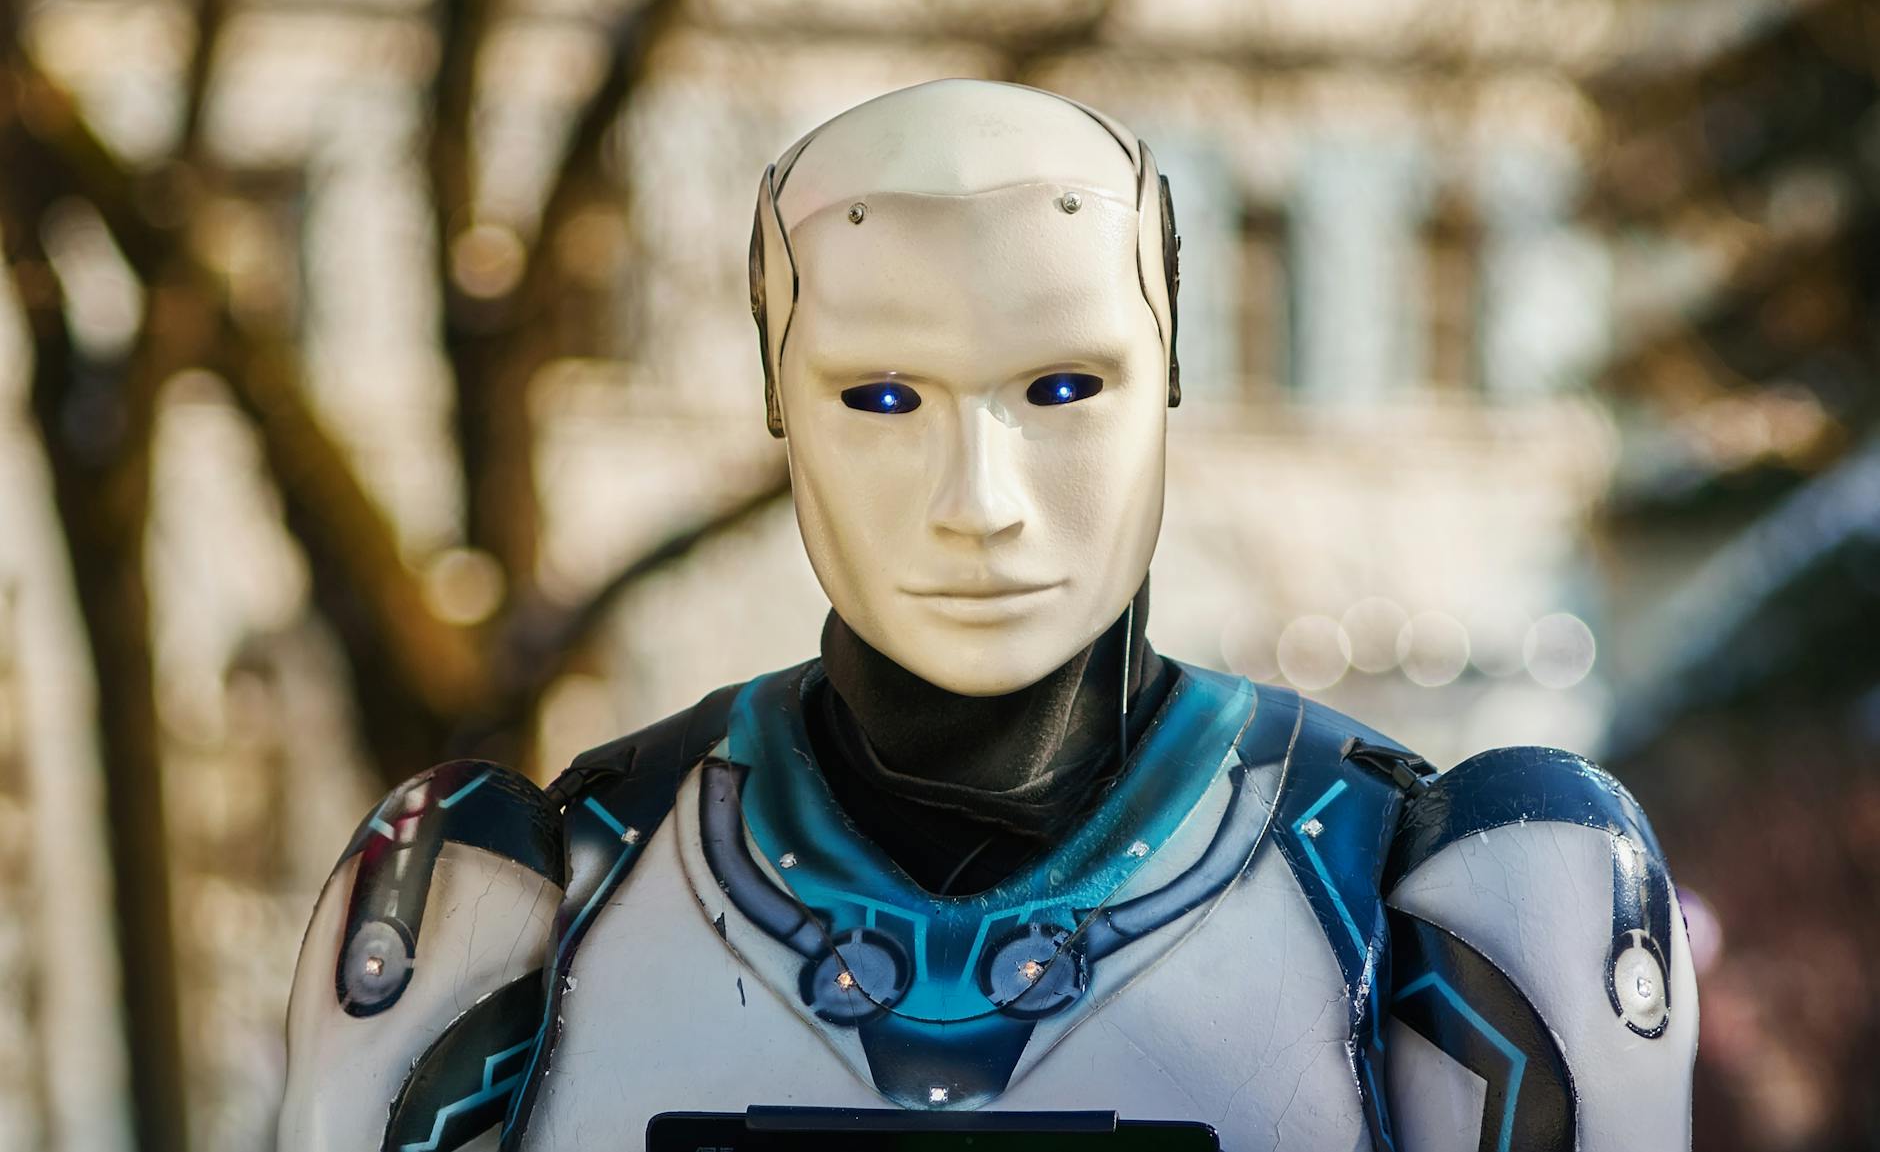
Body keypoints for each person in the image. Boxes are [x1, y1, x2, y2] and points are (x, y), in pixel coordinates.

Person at [278, 80, 1698, 1152]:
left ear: (1164, 379)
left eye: (1063, 388)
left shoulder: (1432, 900)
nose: (980, 500)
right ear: (783, 399)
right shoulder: (530, 906)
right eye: (883, 397)